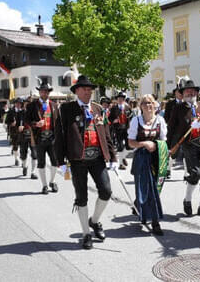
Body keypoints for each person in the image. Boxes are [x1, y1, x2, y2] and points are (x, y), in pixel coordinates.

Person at [55, 75, 117, 250]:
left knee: (106, 191)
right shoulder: (65, 109)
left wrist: (112, 156)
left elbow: (106, 134)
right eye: (84, 89)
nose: (88, 92)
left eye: (90, 89)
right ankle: (86, 234)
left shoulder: (98, 109)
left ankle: (94, 221)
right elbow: (59, 137)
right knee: (81, 197)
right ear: (76, 91)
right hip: (77, 160)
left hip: (97, 158)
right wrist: (60, 161)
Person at [167, 78, 200, 217]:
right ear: (183, 94)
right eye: (186, 91)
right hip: (189, 145)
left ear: (197, 92)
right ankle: (188, 199)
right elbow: (171, 128)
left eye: (192, 91)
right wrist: (169, 146)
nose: (190, 93)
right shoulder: (178, 109)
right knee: (195, 173)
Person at [127, 94, 167, 235]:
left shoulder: (160, 121)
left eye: (150, 103)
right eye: (144, 103)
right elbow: (130, 142)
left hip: (156, 158)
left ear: (155, 105)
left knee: (154, 189)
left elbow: (163, 141)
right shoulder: (135, 121)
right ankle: (155, 222)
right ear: (140, 106)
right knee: (146, 189)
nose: (148, 105)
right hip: (141, 158)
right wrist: (143, 143)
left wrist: (155, 145)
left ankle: (141, 208)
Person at [25, 80, 59, 194]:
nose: (45, 93)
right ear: (39, 92)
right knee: (41, 162)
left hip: (52, 138)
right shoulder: (32, 105)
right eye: (43, 91)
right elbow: (27, 121)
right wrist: (35, 124)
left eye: (47, 92)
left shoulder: (54, 105)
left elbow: (58, 122)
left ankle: (52, 181)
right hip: (39, 138)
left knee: (55, 161)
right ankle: (44, 185)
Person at [109, 92, 132, 170]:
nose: (120, 100)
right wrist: (113, 120)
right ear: (117, 100)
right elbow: (110, 118)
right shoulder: (114, 108)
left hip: (126, 128)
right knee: (120, 146)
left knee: (129, 146)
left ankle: (123, 157)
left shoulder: (127, 107)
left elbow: (131, 116)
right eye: (119, 99)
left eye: (122, 98)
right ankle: (121, 164)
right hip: (118, 129)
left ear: (124, 99)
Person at [19, 98, 38, 179]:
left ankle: (33, 172)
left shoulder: (35, 113)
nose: (28, 105)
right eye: (26, 103)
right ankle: (25, 166)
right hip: (23, 135)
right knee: (23, 154)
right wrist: (19, 126)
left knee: (34, 154)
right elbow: (17, 122)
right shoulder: (21, 113)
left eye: (29, 103)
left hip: (32, 136)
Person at [5, 99, 24, 165]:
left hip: (22, 132)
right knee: (15, 146)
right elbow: (6, 121)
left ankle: (23, 160)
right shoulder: (11, 112)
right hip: (14, 131)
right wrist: (11, 123)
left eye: (20, 103)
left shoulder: (23, 112)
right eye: (17, 103)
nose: (18, 105)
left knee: (23, 147)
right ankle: (16, 159)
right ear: (15, 104)